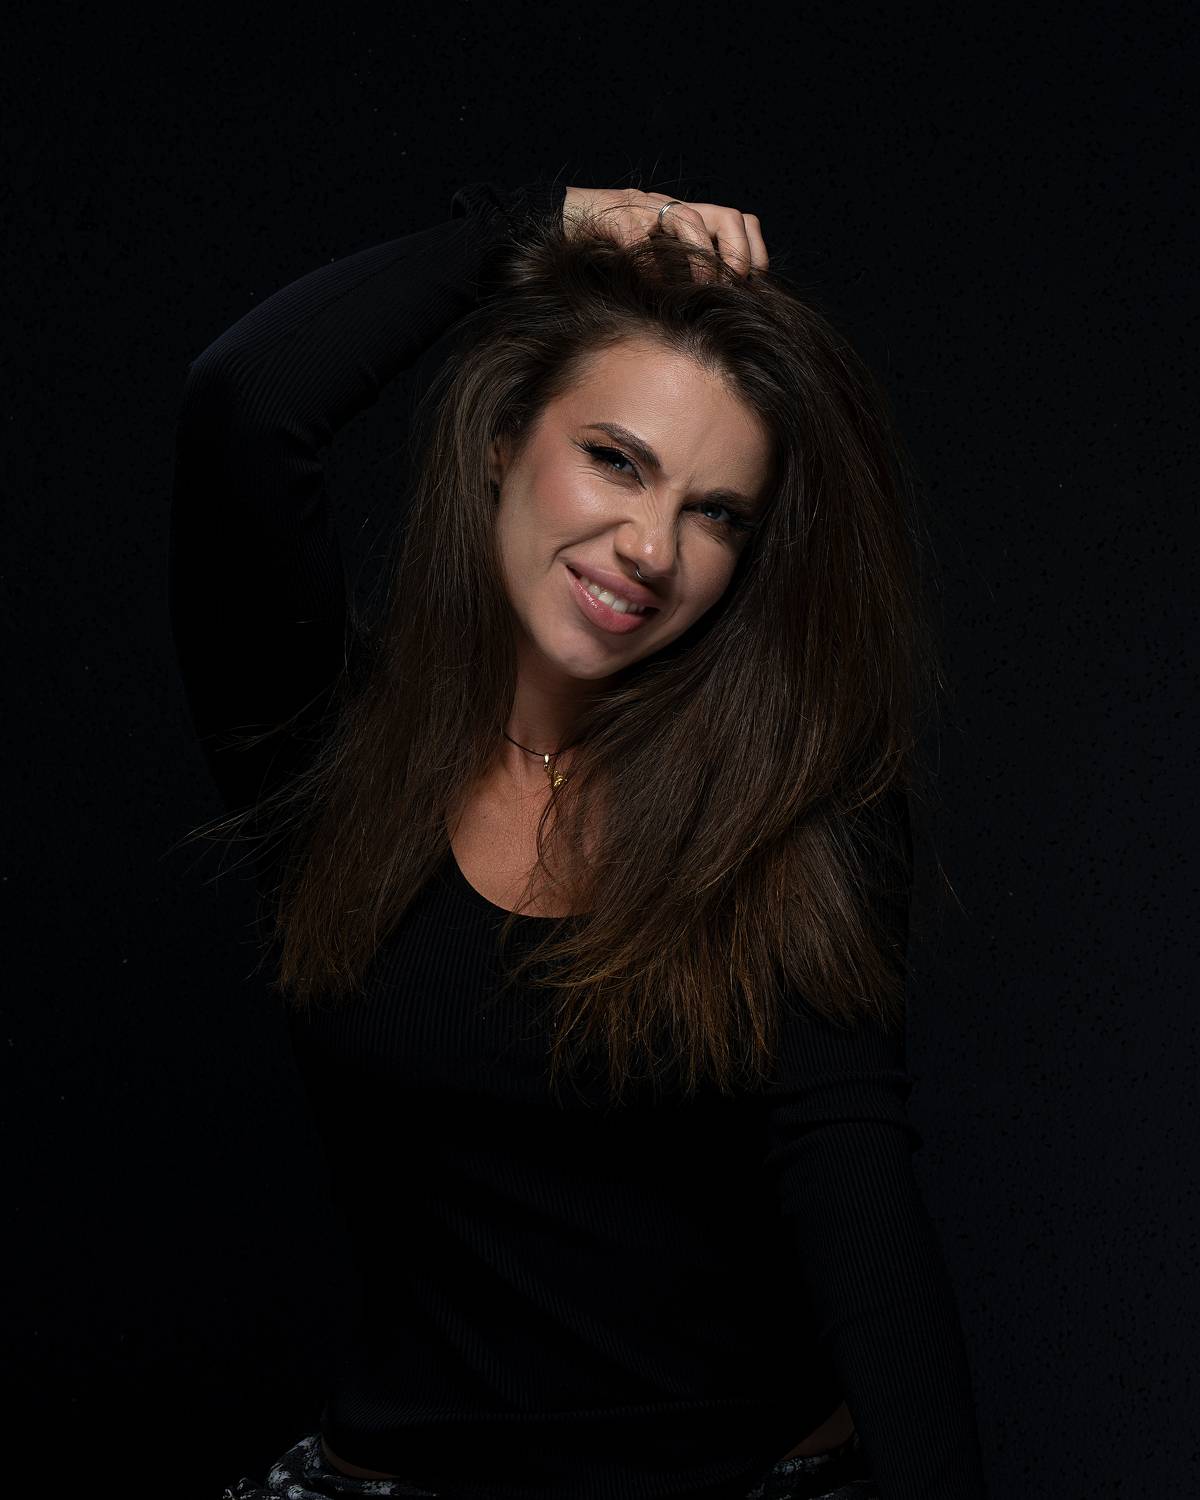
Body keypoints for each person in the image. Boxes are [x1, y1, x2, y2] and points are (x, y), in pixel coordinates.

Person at [168, 178, 989, 1500]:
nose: (651, 546)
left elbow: (857, 1201)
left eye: (717, 513)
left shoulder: (797, 799)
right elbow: (245, 404)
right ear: (504, 439)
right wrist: (533, 232)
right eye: (616, 458)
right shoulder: (328, 749)